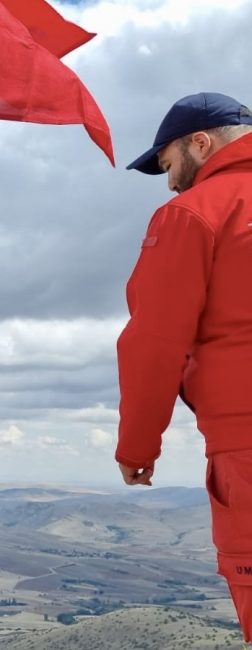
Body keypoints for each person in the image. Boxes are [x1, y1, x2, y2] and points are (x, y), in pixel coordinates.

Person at [117, 91, 252, 642]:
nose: (171, 182)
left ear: (201, 142)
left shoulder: (194, 212)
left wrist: (137, 449)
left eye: (170, 165)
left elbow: (154, 343)